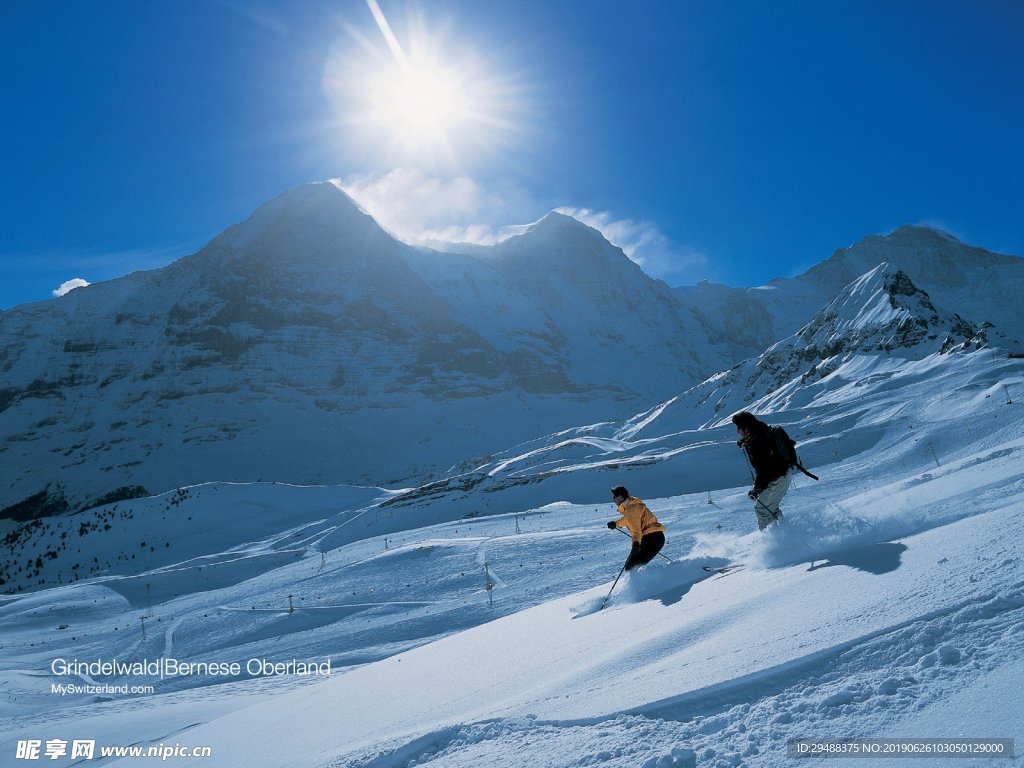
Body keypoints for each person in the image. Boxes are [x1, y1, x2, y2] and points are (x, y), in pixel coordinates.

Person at [732, 410, 791, 531]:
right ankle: (786, 534)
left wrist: (757, 488)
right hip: (785, 474)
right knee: (771, 508)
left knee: (762, 509)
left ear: (746, 428)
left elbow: (763, 469)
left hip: (777, 478)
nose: (737, 430)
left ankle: (773, 542)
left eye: (738, 427)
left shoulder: (756, 442)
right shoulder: (762, 431)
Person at [606, 486, 665, 570]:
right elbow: (628, 520)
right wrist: (616, 524)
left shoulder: (631, 509)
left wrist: (636, 544)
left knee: (631, 567)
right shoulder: (631, 506)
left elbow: (636, 531)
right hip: (653, 537)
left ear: (620, 497)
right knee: (631, 566)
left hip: (652, 539)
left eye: (614, 498)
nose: (614, 500)